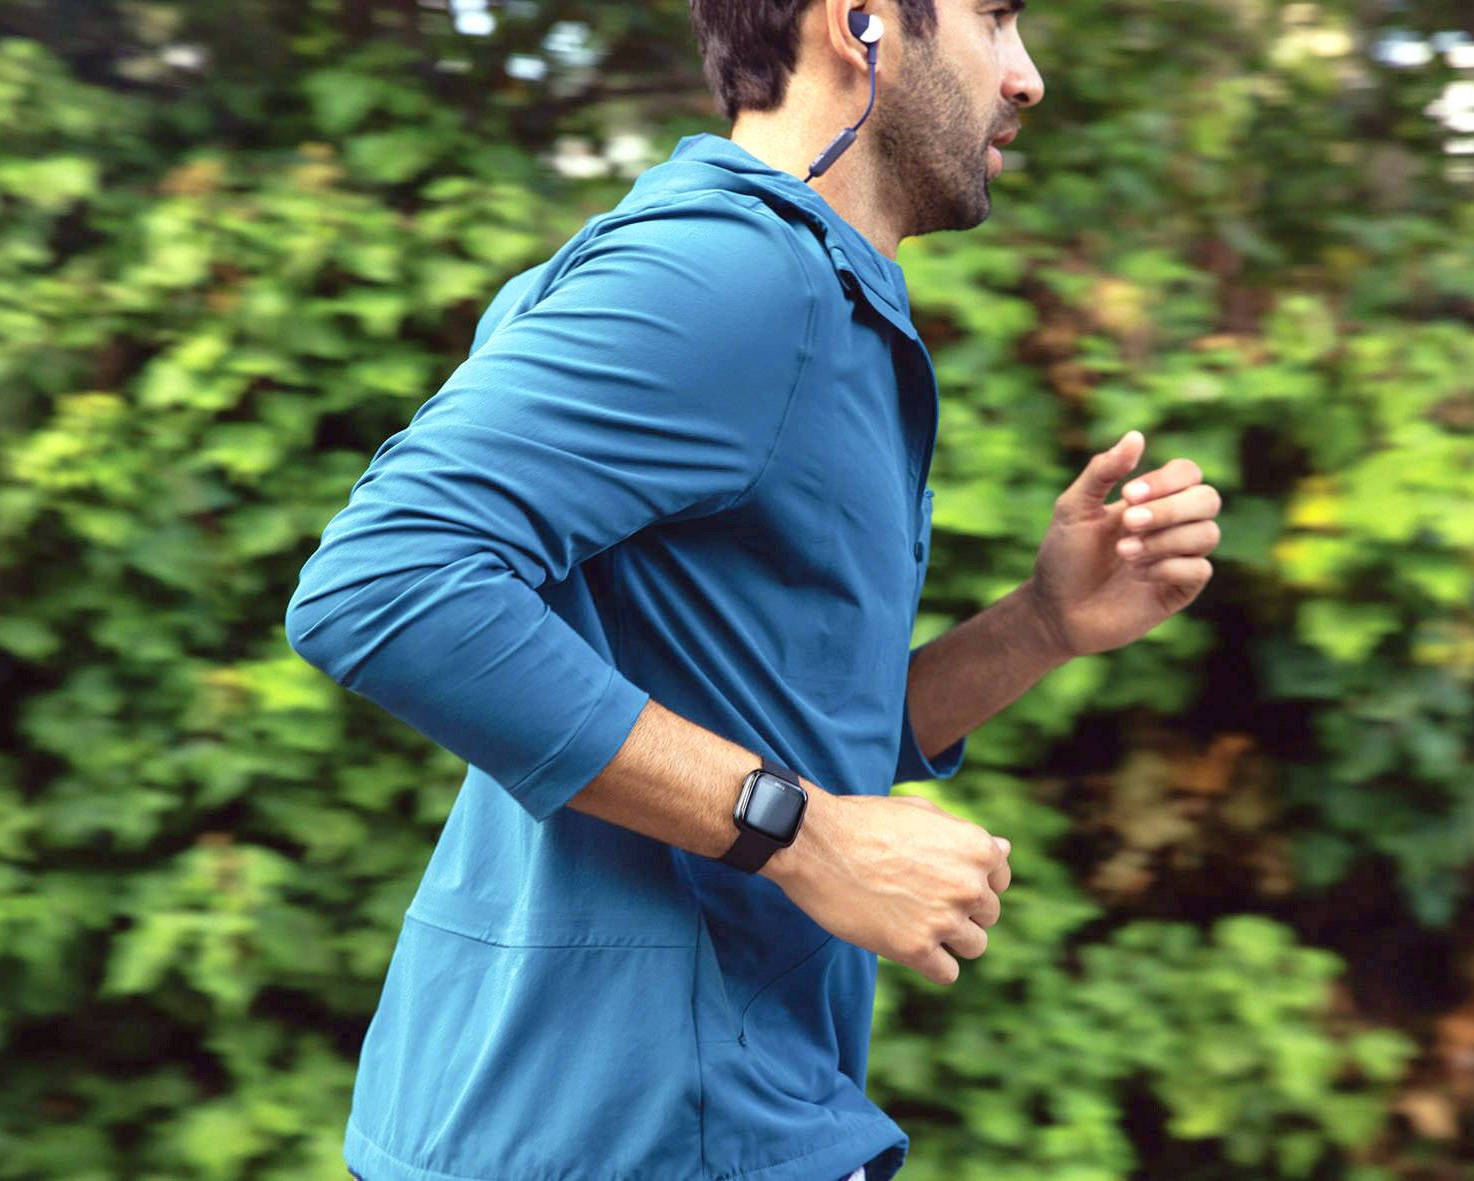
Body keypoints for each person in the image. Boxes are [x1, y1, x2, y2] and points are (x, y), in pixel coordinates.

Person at [286, 1, 1222, 1178]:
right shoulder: (730, 276)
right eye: (993, 19)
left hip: (608, 1111)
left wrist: (1035, 627)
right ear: (861, 22)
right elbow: (381, 579)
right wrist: (802, 834)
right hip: (640, 1128)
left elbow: (772, 719)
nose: (1025, 78)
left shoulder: (797, 293)